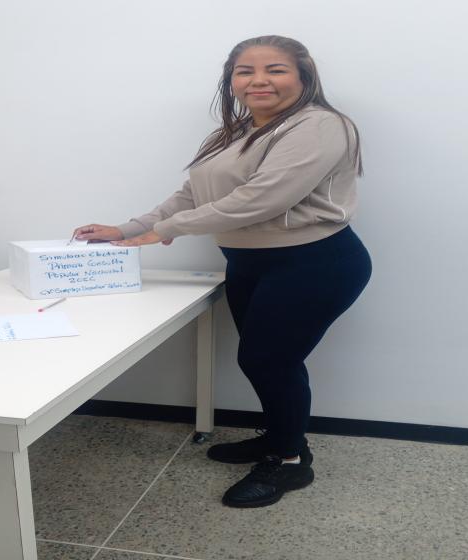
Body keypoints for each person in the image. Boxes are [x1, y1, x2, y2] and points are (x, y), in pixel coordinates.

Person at [73, 35, 372, 508]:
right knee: (262, 359)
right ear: (231, 81)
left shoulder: (320, 125)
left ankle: (289, 462)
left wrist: (167, 231)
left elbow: (262, 199)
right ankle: (282, 437)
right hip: (250, 262)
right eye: (244, 71)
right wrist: (128, 228)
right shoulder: (235, 132)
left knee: (269, 361)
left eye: (275, 69)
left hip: (314, 262)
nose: (258, 80)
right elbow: (191, 194)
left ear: (304, 76)